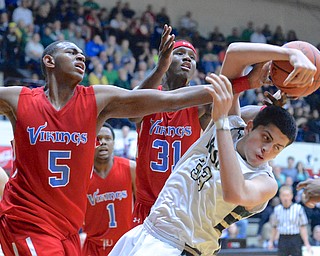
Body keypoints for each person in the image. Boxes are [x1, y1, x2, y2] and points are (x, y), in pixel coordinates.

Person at [0, 39, 222, 255]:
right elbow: (143, 105)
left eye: (82, 55)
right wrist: (159, 69)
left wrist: (235, 85)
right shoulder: (20, 99)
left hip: (67, 230)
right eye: (71, 52)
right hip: (28, 220)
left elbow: (171, 102)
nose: (80, 56)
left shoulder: (94, 101)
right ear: (49, 61)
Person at [109, 40, 316, 255]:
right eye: (266, 138)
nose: (267, 150)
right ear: (250, 128)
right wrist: (287, 54)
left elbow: (235, 192)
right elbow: (234, 54)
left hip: (180, 247)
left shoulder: (265, 180)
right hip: (147, 229)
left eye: (277, 148)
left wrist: (220, 123)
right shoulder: (233, 125)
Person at [130, 24, 213, 227]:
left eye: (192, 58)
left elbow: (223, 128)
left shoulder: (201, 101)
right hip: (148, 202)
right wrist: (161, 67)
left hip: (183, 201)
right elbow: (133, 111)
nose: (187, 59)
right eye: (180, 53)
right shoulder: (146, 94)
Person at [81, 122, 136, 255]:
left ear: (114, 143)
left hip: (124, 245)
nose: (103, 142)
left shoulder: (130, 168)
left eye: (107, 138)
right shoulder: (82, 174)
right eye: (98, 139)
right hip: (93, 247)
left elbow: (143, 205)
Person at [268, 185, 312, 255]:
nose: (286, 198)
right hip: (282, 238)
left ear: (291, 196)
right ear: (280, 196)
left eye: (287, 195)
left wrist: (307, 243)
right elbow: (274, 227)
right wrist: (271, 241)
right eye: (283, 195)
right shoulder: (277, 209)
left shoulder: (298, 208)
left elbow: (303, 227)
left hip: (295, 238)